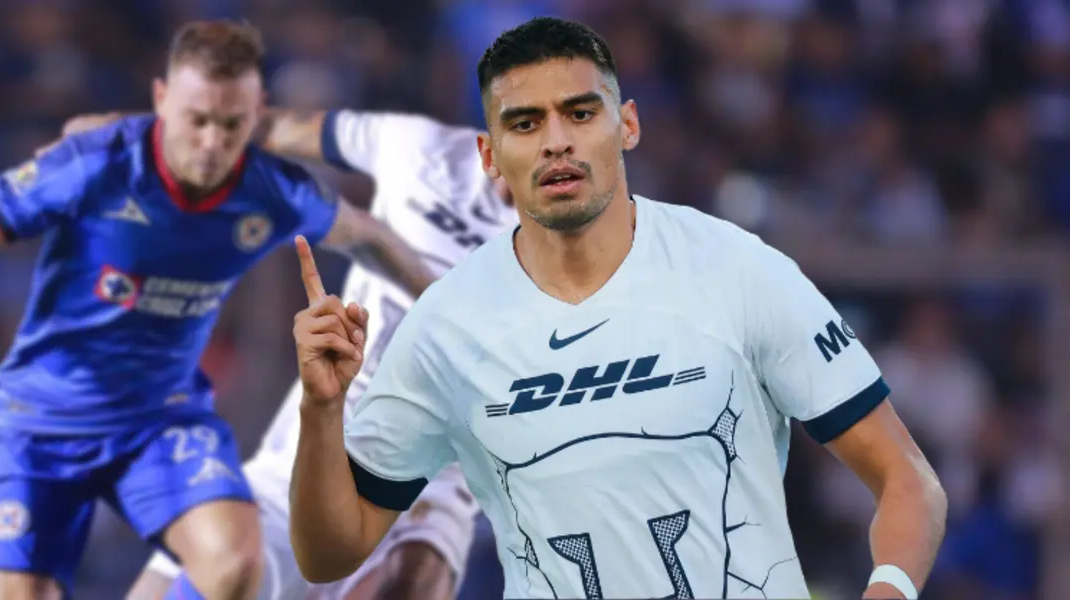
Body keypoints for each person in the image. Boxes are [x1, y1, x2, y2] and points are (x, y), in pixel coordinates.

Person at [288, 16, 949, 600]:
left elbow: (908, 480)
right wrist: (321, 410)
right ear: (490, 155)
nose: (556, 142)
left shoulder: (741, 271)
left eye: (580, 113)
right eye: (525, 123)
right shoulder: (443, 328)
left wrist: (888, 592)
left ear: (626, 124)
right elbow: (328, 554)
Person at [0, 20, 434, 600]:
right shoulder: (96, 164)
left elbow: (371, 237)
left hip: (159, 423)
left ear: (257, 113)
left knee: (236, 564)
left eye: (231, 124)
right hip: (43, 420)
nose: (213, 143)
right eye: (197, 121)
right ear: (162, 99)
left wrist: (448, 306)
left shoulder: (271, 189)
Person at [60, 106, 517, 600]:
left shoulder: (590, 244)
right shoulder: (419, 147)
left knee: (412, 581)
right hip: (317, 444)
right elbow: (267, 127)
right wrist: (149, 134)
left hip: (435, 473)